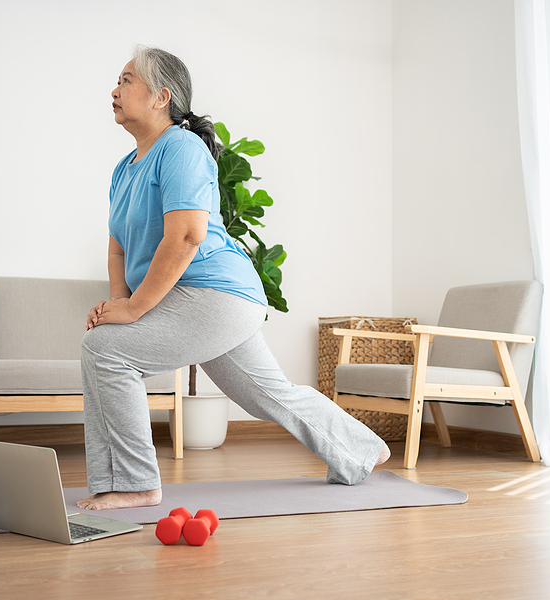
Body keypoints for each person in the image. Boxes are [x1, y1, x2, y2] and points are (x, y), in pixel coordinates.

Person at [77, 45, 389, 510]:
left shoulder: (181, 148)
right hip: (198, 298)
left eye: (126, 80)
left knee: (105, 352)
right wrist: (115, 303)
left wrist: (133, 309)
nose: (114, 90)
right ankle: (360, 449)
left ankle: (136, 483)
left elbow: (185, 237)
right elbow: (117, 247)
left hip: (215, 294)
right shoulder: (125, 170)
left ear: (162, 96)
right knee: (267, 394)